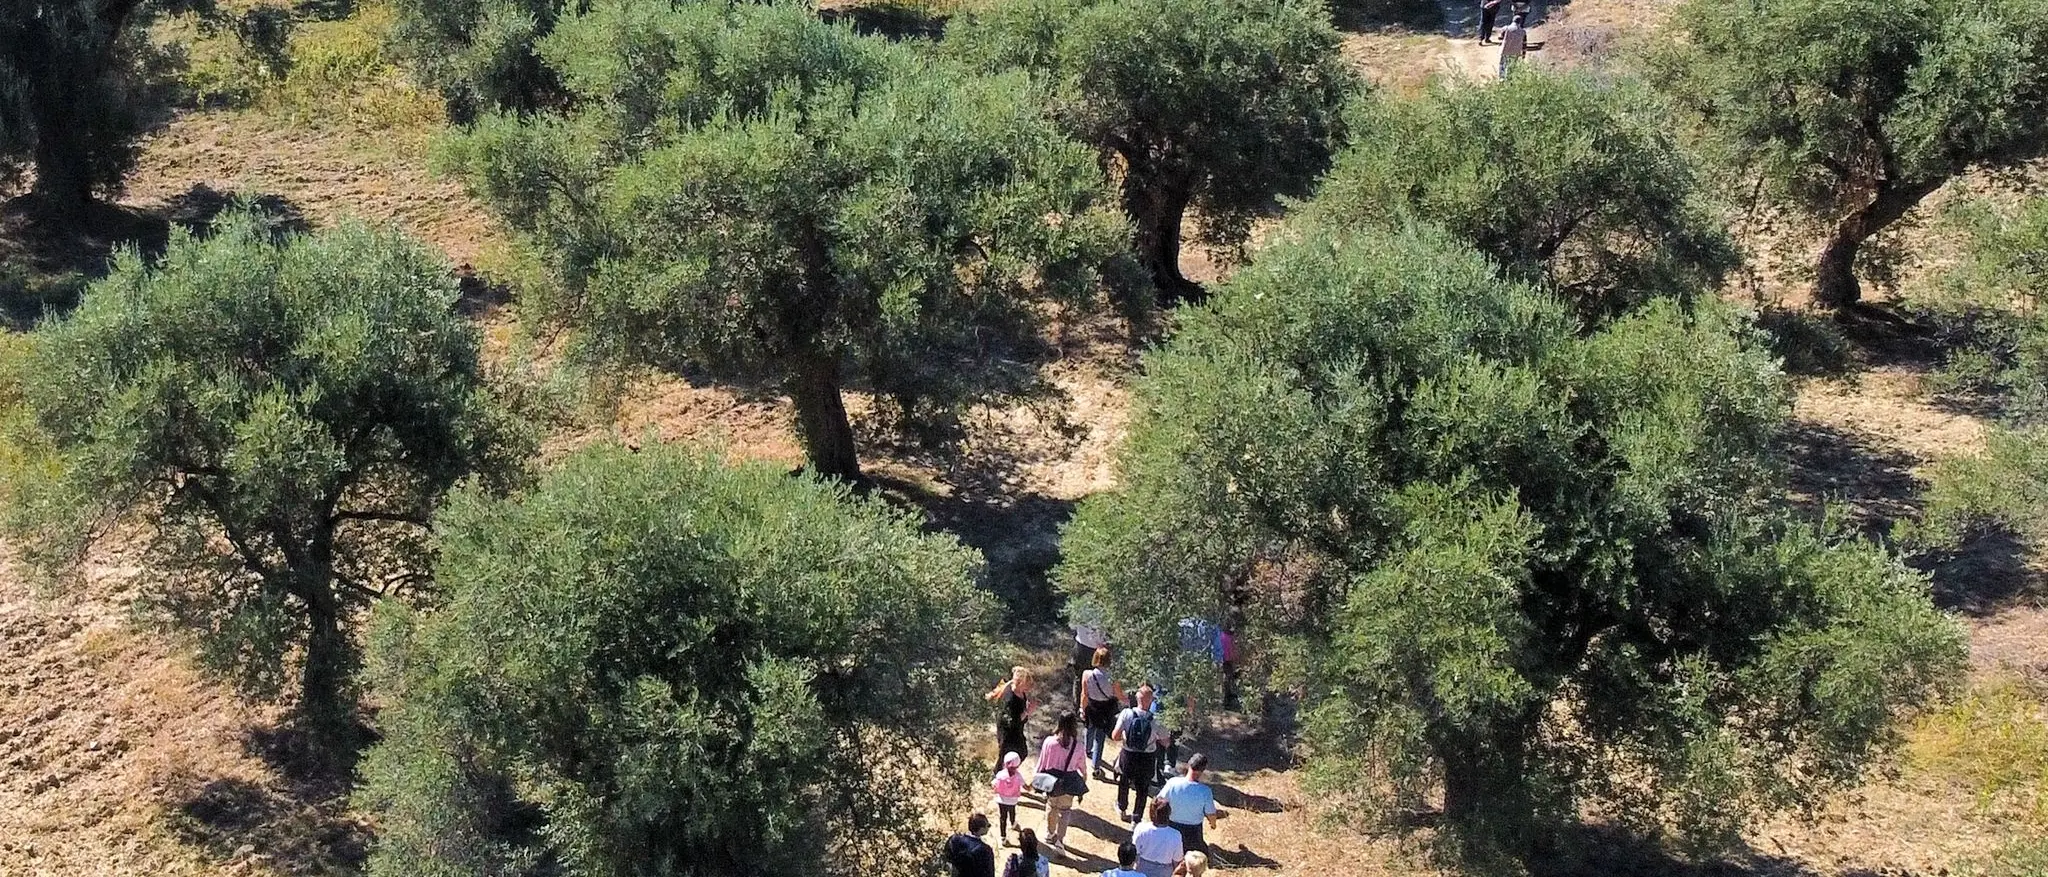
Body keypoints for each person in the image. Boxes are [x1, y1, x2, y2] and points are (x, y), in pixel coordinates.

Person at [1113, 683, 1169, 822]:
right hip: (1147, 757)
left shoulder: (1126, 714)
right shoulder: (1156, 719)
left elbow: (1115, 736)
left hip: (1128, 754)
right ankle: (1136, 818)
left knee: (1124, 781)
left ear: (1137, 698)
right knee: (1143, 788)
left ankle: (1122, 807)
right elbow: (1166, 742)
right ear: (1151, 701)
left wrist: (1126, 737)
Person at [1037, 710, 1088, 854]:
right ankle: (1060, 840)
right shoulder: (1077, 746)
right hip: (1069, 782)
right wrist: (1084, 777)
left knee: (1051, 806)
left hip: (1052, 781)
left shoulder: (1049, 742)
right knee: (1065, 811)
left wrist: (1037, 779)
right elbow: (1082, 765)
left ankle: (1050, 833)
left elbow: (1042, 763)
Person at [1156, 752, 1224, 854]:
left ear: (1189, 764)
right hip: (1193, 832)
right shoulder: (1205, 791)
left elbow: (1158, 802)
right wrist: (1213, 824)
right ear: (1202, 770)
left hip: (1172, 827)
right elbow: (1211, 814)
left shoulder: (1172, 783)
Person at [1081, 646, 1124, 779]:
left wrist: (1082, 709)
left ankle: (1086, 750)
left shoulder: (1087, 674)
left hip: (1092, 706)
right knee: (1100, 737)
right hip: (1105, 708)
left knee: (1089, 729)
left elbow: (1084, 694)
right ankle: (1096, 764)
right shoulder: (1113, 678)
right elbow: (1117, 695)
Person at [987, 667, 1032, 773]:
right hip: (1008, 730)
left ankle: (1008, 772)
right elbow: (1013, 720)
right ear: (1020, 683)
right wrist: (1028, 712)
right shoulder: (1010, 698)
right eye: (1027, 683)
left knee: (1022, 751)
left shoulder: (1019, 691)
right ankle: (1000, 775)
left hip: (1016, 729)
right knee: (1005, 753)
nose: (1029, 687)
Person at [1131, 798, 1185, 877]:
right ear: (1168, 813)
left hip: (1142, 869)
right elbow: (1177, 860)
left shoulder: (1141, 828)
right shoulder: (1175, 835)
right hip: (1165, 872)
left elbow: (1135, 852)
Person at [944, 811, 997, 877]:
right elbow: (989, 873)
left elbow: (947, 856)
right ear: (981, 829)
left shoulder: (954, 839)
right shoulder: (984, 850)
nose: (989, 827)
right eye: (988, 825)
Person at [992, 751, 1025, 846]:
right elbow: (1026, 787)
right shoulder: (1018, 776)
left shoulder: (1000, 774)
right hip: (1012, 800)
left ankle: (1003, 837)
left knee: (1003, 817)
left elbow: (993, 784)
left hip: (1001, 799)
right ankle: (1013, 823)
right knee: (1012, 811)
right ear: (1018, 765)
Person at [1498, 12, 1529, 77]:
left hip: (1505, 50)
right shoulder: (1523, 32)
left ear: (1513, 20)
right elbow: (1524, 44)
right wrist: (1523, 54)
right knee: (1512, 66)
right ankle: (1510, 80)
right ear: (1520, 22)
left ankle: (1501, 79)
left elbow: (1500, 37)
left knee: (1503, 65)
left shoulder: (1506, 28)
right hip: (1516, 52)